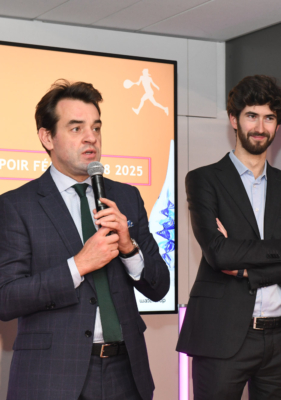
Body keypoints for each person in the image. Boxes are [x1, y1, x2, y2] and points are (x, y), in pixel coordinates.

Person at [0, 80, 170, 400]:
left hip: (126, 372)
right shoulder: (16, 205)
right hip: (53, 377)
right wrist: (77, 266)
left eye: (96, 127)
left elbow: (159, 286)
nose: (91, 137)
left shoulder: (126, 197)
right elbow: (6, 298)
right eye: (76, 128)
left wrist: (128, 249)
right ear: (47, 137)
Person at [176, 75, 281, 400]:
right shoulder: (203, 180)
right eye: (251, 115)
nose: (260, 126)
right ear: (234, 119)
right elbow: (219, 254)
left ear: (277, 126)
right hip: (220, 335)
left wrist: (248, 271)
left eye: (269, 118)